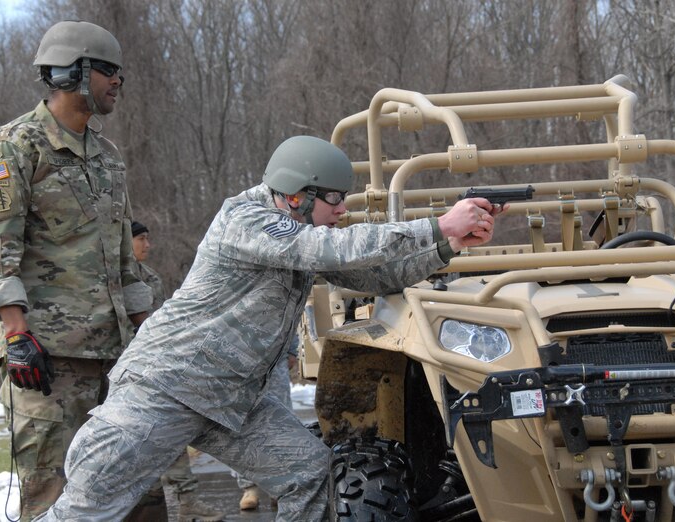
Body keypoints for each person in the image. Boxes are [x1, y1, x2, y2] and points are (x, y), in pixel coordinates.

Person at [34, 134, 504, 521]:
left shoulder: (298, 233)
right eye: (334, 198)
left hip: (233, 399)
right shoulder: (247, 219)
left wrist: (447, 246)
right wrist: (437, 225)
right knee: (87, 508)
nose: (342, 209)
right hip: (166, 387)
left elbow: (372, 276)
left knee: (312, 477)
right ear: (297, 195)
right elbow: (331, 250)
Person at [0, 21, 152, 521]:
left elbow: (124, 260)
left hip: (116, 357)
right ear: (72, 72)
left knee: (135, 493)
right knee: (53, 499)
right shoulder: (14, 148)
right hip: (47, 363)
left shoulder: (107, 157)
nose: (118, 81)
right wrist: (16, 334)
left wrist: (147, 330)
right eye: (108, 70)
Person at [130, 220, 222, 521]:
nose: (148, 245)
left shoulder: (149, 277)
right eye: (141, 239)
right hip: (119, 370)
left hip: (150, 369)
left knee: (167, 435)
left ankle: (187, 500)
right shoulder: (109, 277)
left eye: (148, 238)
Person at [237, 336, 298, 511]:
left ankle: (279, 486)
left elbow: (289, 319)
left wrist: (292, 349)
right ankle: (249, 488)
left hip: (274, 358)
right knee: (244, 425)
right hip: (240, 360)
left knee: (279, 424)